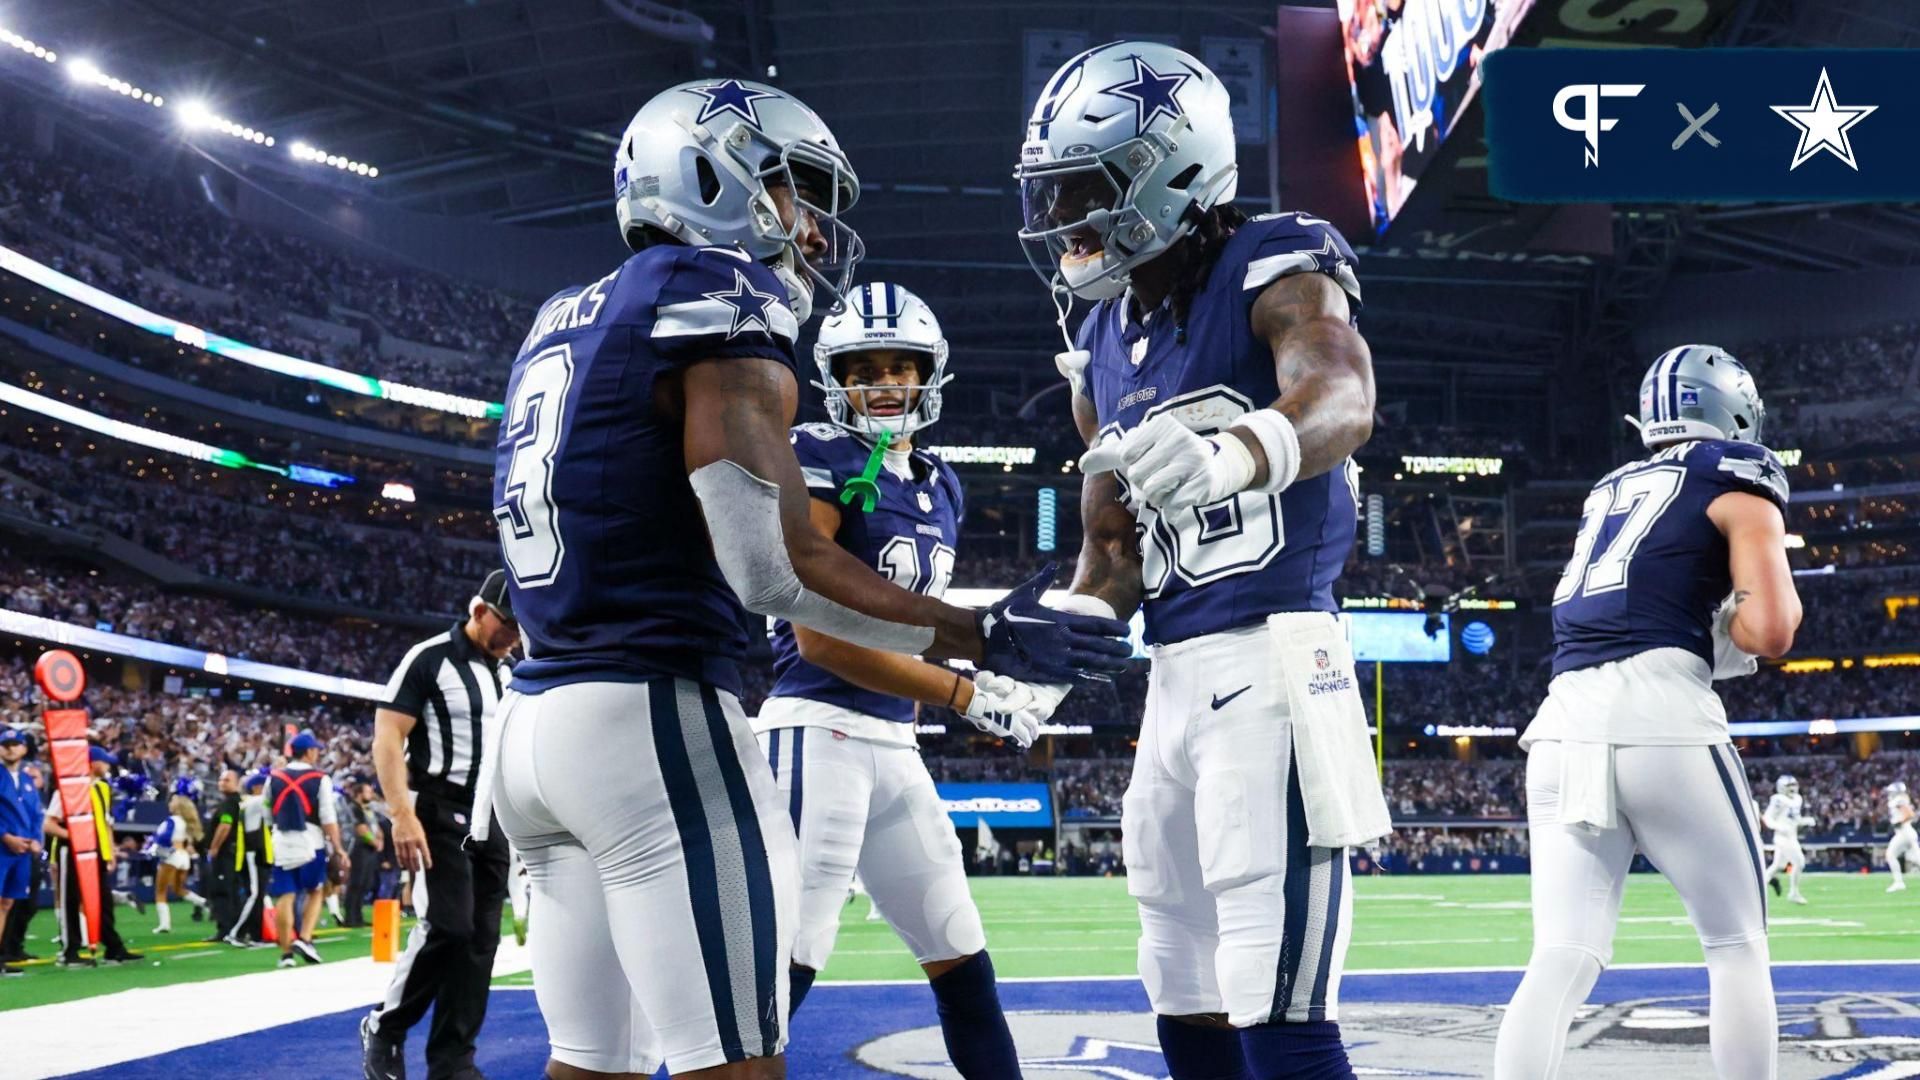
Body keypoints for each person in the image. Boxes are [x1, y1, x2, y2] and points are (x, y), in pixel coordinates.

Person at [485, 79, 1130, 1080]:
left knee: (591, 1064)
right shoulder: (717, 299)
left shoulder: (563, 316)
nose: (814, 230)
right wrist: (983, 639)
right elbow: (773, 565)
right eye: (794, 192)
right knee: (738, 1058)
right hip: (647, 722)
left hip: (536, 728)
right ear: (715, 174)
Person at [1016, 41, 1383, 1080]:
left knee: (1276, 998)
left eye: (1084, 189)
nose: (1062, 220)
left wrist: (1235, 452)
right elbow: (1110, 547)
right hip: (1171, 682)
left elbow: (1343, 395)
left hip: (1275, 663)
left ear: (1170, 169)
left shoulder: (1274, 259)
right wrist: (1055, 636)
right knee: (1178, 974)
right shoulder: (1101, 335)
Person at [756, 283, 1059, 1077]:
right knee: (784, 964)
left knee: (960, 953)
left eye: (901, 366)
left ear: (929, 376)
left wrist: (988, 673)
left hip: (894, 741)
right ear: (836, 377)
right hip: (814, 727)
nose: (886, 383)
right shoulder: (817, 453)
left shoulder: (942, 481)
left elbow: (914, 621)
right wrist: (964, 690)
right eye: (866, 368)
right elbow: (817, 636)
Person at [1494, 345, 1799, 1079]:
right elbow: (1774, 630)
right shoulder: (1737, 473)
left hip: (1564, 719)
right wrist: (1732, 619)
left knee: (1561, 956)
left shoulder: (1610, 486)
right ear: (1732, 409)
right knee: (1736, 946)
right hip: (1662, 715)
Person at [362, 574, 516, 1080]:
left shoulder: (511, 673)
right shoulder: (430, 657)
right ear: (478, 611)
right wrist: (400, 813)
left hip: (489, 814)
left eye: (518, 627)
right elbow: (387, 734)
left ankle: (453, 1062)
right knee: (448, 925)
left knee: (480, 942)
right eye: (505, 623)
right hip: (437, 805)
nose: (511, 635)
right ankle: (386, 1027)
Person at [46, 745, 141, 966]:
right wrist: (75, 836)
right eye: (104, 761)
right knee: (71, 899)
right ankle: (69, 951)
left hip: (95, 851)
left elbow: (106, 823)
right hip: (71, 850)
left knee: (103, 900)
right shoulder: (67, 790)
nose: (107, 765)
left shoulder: (102, 789)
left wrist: (109, 851)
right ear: (91, 763)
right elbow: (49, 824)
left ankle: (113, 947)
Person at [267, 732, 347, 969]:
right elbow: (327, 816)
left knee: (286, 895)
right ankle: (305, 938)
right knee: (315, 890)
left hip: (281, 839)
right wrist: (339, 847)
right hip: (311, 841)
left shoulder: (274, 777)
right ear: (310, 752)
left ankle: (286, 953)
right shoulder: (320, 778)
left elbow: (266, 809)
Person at [0, 728, 40, 977]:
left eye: (15, 744)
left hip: (22, 852)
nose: (9, 748)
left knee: (6, 903)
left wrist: (36, 840)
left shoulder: (27, 781)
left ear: (24, 749)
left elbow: (36, 814)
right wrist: (5, 836)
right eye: (5, 744)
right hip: (3, 847)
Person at [147, 779, 211, 933]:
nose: (169, 803)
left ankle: (164, 924)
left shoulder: (172, 820)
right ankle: (204, 903)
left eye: (172, 802)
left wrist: (153, 849)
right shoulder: (186, 822)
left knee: (160, 892)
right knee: (178, 889)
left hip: (171, 856)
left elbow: (164, 838)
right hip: (184, 858)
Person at [225, 770, 271, 947]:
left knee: (257, 895)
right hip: (252, 854)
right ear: (258, 787)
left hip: (258, 853)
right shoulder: (253, 802)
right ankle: (235, 933)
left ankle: (255, 935)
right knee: (254, 894)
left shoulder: (252, 803)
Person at [202, 770, 245, 942]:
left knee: (222, 891)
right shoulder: (237, 802)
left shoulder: (229, 804)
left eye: (227, 780)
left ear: (236, 783)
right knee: (232, 891)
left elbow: (225, 825)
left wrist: (214, 847)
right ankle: (234, 927)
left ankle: (225, 929)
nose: (222, 783)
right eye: (220, 779)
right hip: (234, 852)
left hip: (225, 853)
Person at [1761, 774, 1811, 905]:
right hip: (1783, 838)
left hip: (1792, 836)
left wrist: (1804, 821)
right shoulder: (1778, 799)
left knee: (1779, 866)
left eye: (1794, 785)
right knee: (1799, 862)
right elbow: (1767, 818)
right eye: (1789, 786)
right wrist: (1779, 827)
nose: (1793, 788)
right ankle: (1793, 893)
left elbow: (1794, 819)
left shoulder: (1797, 799)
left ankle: (1759, 888)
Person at [343, 782, 384, 928]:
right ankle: (350, 917)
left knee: (365, 883)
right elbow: (361, 829)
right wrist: (375, 842)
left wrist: (379, 839)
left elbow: (376, 827)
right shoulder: (354, 808)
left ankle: (358, 916)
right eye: (368, 791)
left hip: (370, 849)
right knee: (356, 882)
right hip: (359, 849)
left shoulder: (369, 809)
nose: (371, 794)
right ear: (359, 793)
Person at [1884, 781, 1915, 892]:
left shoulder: (1899, 800)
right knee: (1915, 858)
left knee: (1890, 855)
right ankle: (1898, 882)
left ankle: (1899, 882)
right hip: (1907, 832)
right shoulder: (1901, 799)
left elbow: (1910, 814)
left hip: (1904, 832)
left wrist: (1899, 822)